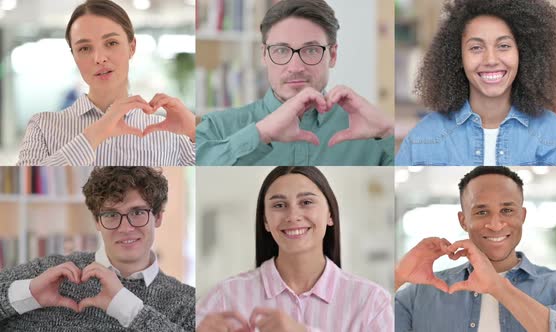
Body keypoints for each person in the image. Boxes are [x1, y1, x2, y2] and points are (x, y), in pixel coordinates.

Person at [196, 0, 394, 166]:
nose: (296, 66)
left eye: (311, 50)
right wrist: (260, 134)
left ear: (332, 55)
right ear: (264, 55)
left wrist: (387, 134)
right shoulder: (218, 127)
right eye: (282, 50)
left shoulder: (371, 132)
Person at [196, 167, 393, 331]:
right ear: (265, 221)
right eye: (279, 205)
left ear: (330, 215)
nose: (293, 215)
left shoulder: (372, 302)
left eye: (306, 202)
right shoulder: (223, 297)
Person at [395, 166, 556, 331]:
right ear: (464, 221)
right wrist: (397, 277)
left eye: (507, 210)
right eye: (481, 212)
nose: (495, 224)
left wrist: (498, 286)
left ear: (521, 216)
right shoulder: (419, 294)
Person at [0, 167, 195, 331]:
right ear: (97, 221)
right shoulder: (48, 275)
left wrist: (129, 309)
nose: (125, 228)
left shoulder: (188, 303)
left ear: (158, 217)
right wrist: (27, 295)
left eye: (137, 212)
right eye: (111, 214)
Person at [395, 0, 556, 166]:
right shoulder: (422, 139)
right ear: (457, 57)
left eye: (504, 46)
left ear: (524, 53)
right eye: (476, 47)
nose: (490, 60)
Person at [17, 0, 196, 166]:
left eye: (111, 43)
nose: (99, 58)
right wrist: (95, 134)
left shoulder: (171, 133)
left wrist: (195, 133)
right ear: (74, 56)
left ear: (132, 47)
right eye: (85, 48)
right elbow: (24, 187)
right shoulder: (43, 127)